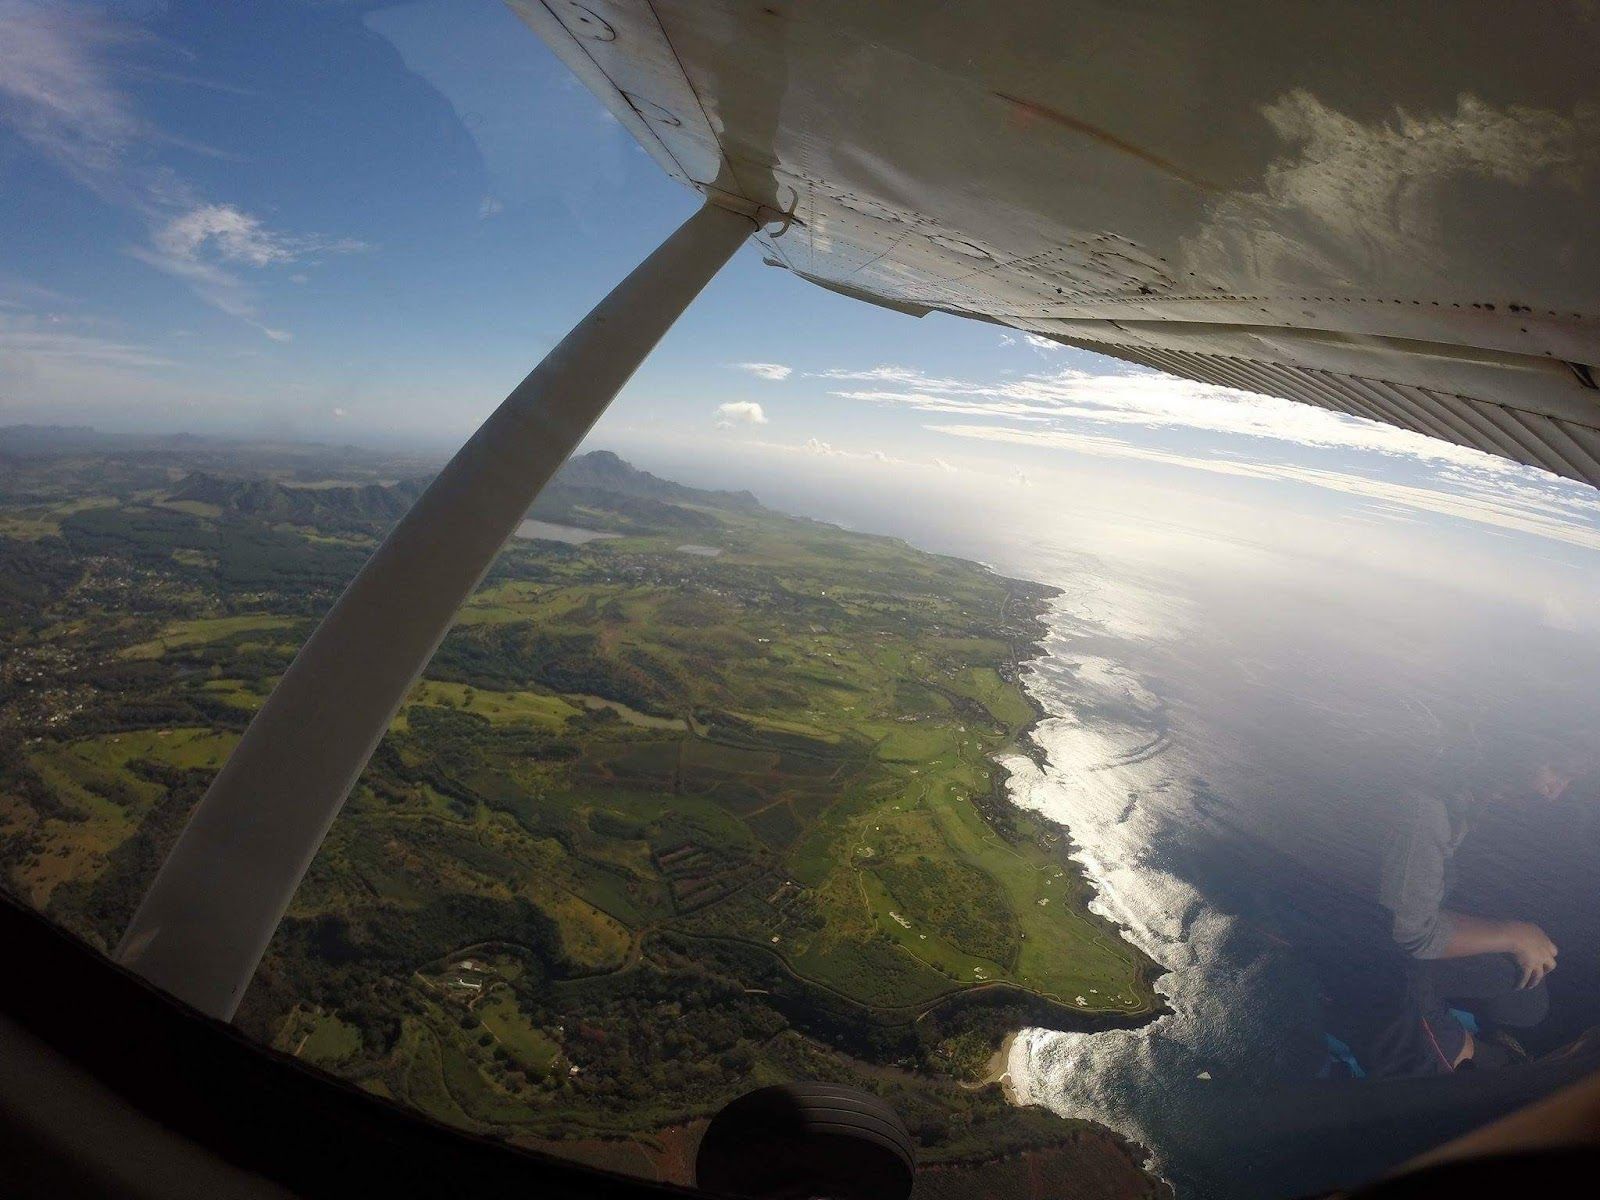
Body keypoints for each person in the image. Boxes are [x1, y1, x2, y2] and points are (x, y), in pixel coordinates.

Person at [1372, 740, 1584, 1075]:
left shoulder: (1466, 784)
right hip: (1372, 957)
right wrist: (1512, 935)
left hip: (1403, 933)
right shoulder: (1423, 807)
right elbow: (1408, 933)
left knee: (1528, 999)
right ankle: (1488, 1061)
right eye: (1555, 771)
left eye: (1568, 780)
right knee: (1475, 1068)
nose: (1553, 792)